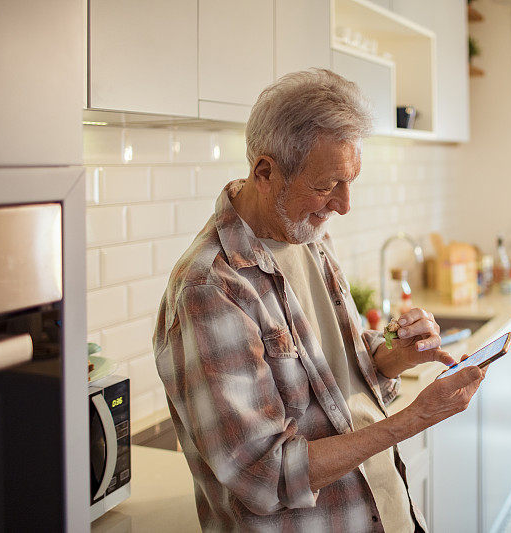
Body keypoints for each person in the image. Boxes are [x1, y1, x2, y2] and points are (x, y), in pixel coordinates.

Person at [153, 69, 485, 532]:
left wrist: (391, 357)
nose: (344, 205)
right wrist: (415, 417)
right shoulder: (211, 289)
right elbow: (264, 476)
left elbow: (336, 384)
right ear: (265, 172)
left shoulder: (308, 236)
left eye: (351, 182)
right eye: (328, 185)